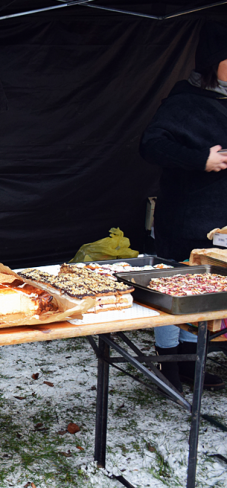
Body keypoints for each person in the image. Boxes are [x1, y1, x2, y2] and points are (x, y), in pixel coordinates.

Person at [139, 21, 227, 392]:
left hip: (220, 223)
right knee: (175, 289)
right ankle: (169, 366)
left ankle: (191, 366)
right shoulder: (184, 100)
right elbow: (150, 146)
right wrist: (200, 159)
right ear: (212, 61)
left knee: (205, 294)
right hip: (185, 216)